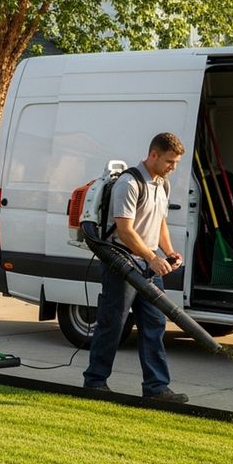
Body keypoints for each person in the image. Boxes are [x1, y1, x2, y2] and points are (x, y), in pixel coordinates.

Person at [82, 132, 189, 402]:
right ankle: (95, 382)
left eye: (175, 163)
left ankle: (156, 387)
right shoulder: (129, 183)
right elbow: (125, 230)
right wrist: (151, 257)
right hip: (124, 262)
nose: (173, 168)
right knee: (113, 324)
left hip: (149, 262)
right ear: (153, 154)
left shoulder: (162, 183)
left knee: (154, 324)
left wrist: (168, 251)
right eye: (169, 162)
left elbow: (160, 222)